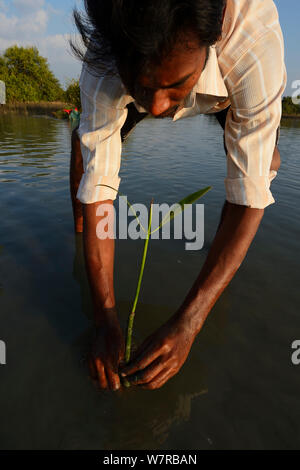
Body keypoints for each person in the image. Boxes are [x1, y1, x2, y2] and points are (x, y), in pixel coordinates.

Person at [70, 0, 286, 391]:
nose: (157, 109)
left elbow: (249, 198)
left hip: (221, 86)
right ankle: (80, 232)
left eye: (173, 88)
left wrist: (190, 320)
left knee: (262, 163)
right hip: (135, 77)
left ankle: (214, 269)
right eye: (145, 90)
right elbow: (100, 185)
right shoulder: (104, 62)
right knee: (84, 147)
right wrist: (104, 320)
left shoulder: (253, 43)